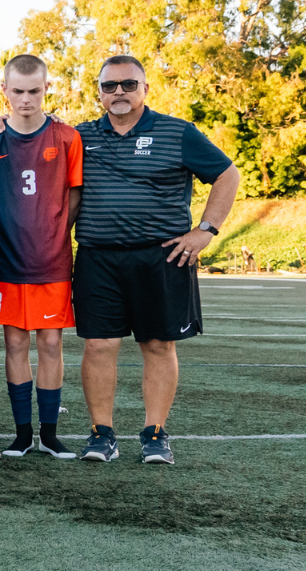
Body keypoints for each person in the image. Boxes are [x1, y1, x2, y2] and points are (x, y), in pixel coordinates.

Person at [71, 55, 239, 465]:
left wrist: (206, 230)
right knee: (98, 345)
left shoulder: (177, 131)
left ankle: (155, 433)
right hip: (98, 256)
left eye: (129, 84)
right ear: (99, 92)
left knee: (158, 344)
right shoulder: (78, 136)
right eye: (109, 86)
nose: (119, 93)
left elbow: (227, 174)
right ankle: (101, 433)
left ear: (145, 88)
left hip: (161, 256)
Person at [0, 54, 83, 458]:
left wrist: (55, 232)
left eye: (34, 91)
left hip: (51, 260)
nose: (26, 99)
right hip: (6, 260)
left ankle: (49, 434)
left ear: (46, 89)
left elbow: (74, 193)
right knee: (14, 344)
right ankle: (21, 434)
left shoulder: (67, 137)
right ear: (4, 91)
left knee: (51, 344)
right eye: (17, 91)